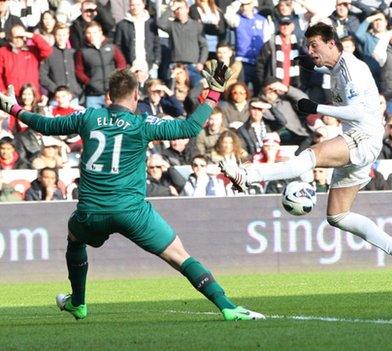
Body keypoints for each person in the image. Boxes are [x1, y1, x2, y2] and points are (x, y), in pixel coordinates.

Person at [0, 63, 264, 320]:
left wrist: (13, 107)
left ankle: (78, 303)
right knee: (180, 257)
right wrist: (214, 94)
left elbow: (45, 125)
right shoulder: (141, 123)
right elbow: (189, 128)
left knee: (74, 238)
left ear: (108, 96)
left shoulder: (88, 117)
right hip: (132, 212)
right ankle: (227, 306)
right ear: (136, 95)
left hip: (91, 212)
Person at [220, 23, 392, 291]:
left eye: (315, 46)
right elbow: (331, 69)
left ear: (331, 43)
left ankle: (249, 175)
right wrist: (313, 65)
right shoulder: (336, 66)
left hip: (364, 136)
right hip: (358, 140)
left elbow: (358, 111)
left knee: (309, 155)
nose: (310, 50)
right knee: (338, 216)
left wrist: (316, 107)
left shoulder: (352, 69)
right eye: (308, 46)